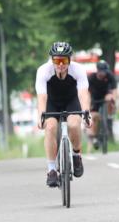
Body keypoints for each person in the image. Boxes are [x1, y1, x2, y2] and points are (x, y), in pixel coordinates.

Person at [35, 41, 90, 187]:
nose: (60, 64)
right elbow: (41, 97)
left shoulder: (78, 69)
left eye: (64, 60)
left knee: (73, 124)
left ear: (70, 60)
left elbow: (83, 93)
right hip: (52, 102)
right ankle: (52, 170)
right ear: (51, 60)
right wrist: (41, 116)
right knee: (51, 127)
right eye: (57, 60)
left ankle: (77, 155)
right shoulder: (43, 70)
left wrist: (86, 113)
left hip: (71, 100)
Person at [87, 59, 118, 149]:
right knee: (94, 116)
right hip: (94, 98)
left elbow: (115, 90)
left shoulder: (110, 76)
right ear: (97, 71)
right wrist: (88, 103)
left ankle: (108, 115)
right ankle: (94, 136)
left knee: (109, 98)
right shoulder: (91, 78)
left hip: (105, 96)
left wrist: (114, 100)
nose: (103, 74)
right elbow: (86, 92)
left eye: (105, 72)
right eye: (101, 72)